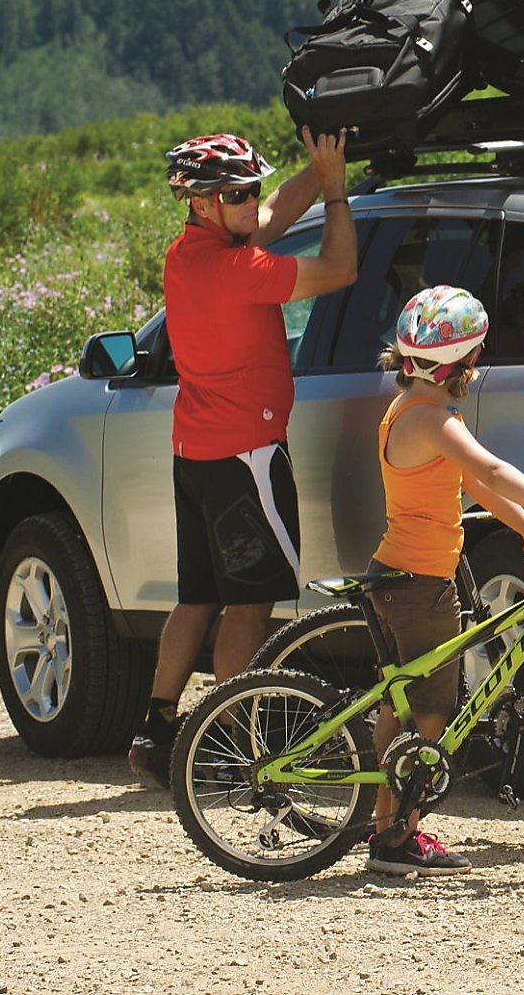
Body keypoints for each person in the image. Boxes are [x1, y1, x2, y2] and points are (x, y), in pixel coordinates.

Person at [128, 128, 358, 787]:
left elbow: (269, 218)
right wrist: (337, 192)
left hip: (197, 451)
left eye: (253, 187)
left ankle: (156, 729)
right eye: (237, 193)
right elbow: (340, 271)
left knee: (196, 598)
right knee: (249, 607)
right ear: (202, 202)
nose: (251, 202)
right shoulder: (238, 270)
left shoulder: (188, 254)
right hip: (247, 455)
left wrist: (319, 170)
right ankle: (239, 742)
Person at [360, 285, 524, 876]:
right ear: (456, 362)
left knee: (404, 700)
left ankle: (386, 821)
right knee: (432, 710)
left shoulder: (413, 410)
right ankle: (397, 837)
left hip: (407, 574)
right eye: (475, 356)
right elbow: (492, 467)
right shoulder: (431, 419)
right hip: (419, 582)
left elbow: (477, 486)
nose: (477, 367)